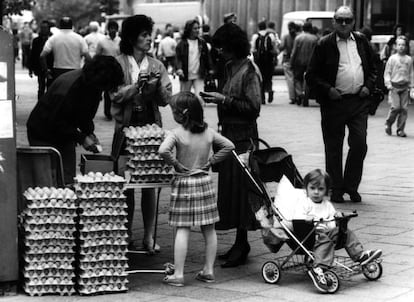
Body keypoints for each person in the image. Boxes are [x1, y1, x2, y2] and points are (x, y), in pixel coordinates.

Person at [200, 23, 262, 268]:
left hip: (244, 137)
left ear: (234, 46)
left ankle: (242, 242)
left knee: (242, 191)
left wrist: (224, 99)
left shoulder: (249, 70)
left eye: (223, 47)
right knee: (229, 190)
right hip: (228, 136)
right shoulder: (227, 67)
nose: (219, 51)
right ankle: (239, 242)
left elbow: (254, 108)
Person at [110, 15, 172, 253]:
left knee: (150, 184)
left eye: (149, 34)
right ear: (131, 37)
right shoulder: (118, 64)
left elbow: (166, 100)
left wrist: (156, 87)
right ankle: (126, 235)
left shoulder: (157, 65)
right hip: (125, 131)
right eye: (144, 34)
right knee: (126, 185)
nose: (149, 38)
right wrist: (136, 86)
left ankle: (148, 236)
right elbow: (114, 95)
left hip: (150, 131)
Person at [159, 92, 234, 287]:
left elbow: (162, 150)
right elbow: (229, 146)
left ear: (182, 114)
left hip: (184, 182)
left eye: (173, 111)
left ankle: (179, 273)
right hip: (203, 182)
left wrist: (175, 163)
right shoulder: (208, 133)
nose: (172, 114)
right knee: (209, 229)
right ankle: (208, 270)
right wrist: (210, 162)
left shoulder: (176, 133)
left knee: (182, 228)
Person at [305, 6, 377, 204]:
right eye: (340, 20)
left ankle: (351, 186)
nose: (344, 23)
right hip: (334, 103)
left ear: (353, 22)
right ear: (334, 22)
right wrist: (328, 90)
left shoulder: (361, 41)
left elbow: (374, 67)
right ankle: (336, 188)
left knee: (360, 144)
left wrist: (368, 86)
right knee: (333, 147)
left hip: (358, 102)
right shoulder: (324, 44)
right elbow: (311, 75)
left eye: (348, 20)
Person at [26, 55, 124, 185]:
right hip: (42, 132)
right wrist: (81, 138)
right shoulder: (67, 88)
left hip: (65, 132)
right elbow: (56, 122)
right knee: (47, 181)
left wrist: (89, 133)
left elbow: (85, 115)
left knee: (67, 178)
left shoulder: (94, 86)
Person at [297, 169, 382, 291]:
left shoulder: (327, 204)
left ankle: (360, 255)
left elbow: (332, 218)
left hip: (328, 232)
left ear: (326, 190)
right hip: (312, 235)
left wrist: (337, 216)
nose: (316, 192)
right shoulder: (304, 203)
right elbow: (298, 218)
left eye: (320, 189)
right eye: (312, 188)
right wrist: (307, 219)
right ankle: (319, 267)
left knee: (345, 232)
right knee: (324, 239)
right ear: (306, 189)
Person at [40, 17, 90, 83]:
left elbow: (42, 56)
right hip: (75, 70)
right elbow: (88, 57)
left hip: (58, 70)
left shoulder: (53, 38)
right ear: (71, 26)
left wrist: (46, 71)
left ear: (60, 25)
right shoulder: (79, 38)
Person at [175, 19, 212, 105]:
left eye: (198, 28)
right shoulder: (182, 44)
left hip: (199, 75)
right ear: (189, 29)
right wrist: (179, 69)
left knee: (200, 99)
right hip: (185, 75)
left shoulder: (202, 43)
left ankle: (199, 117)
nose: (197, 30)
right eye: (195, 28)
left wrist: (210, 69)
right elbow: (178, 58)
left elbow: (207, 57)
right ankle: (185, 117)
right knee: (184, 100)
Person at [384, 36, 414, 138]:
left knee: (404, 109)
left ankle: (400, 129)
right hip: (394, 87)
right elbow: (387, 72)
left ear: (406, 47)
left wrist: (412, 87)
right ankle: (388, 123)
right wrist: (388, 84)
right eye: (399, 45)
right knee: (396, 107)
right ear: (396, 46)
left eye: (403, 45)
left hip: (405, 87)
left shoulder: (409, 59)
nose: (401, 47)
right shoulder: (392, 59)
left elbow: (411, 73)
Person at [96, 20, 121, 121]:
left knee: (117, 91)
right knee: (107, 92)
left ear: (117, 30)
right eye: (111, 28)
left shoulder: (120, 41)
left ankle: (116, 111)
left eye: (114, 28)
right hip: (106, 69)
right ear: (108, 29)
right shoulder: (102, 41)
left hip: (117, 69)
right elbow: (97, 55)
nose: (113, 30)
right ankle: (107, 112)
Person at [290, 21, 318, 107]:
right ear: (310, 28)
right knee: (310, 79)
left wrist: (291, 62)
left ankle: (299, 93)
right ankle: (307, 93)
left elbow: (294, 52)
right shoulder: (315, 38)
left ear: (303, 28)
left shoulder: (298, 38)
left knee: (297, 79)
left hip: (299, 62)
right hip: (311, 63)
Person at [252, 20, 277, 104]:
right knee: (269, 77)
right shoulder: (271, 35)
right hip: (269, 60)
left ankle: (262, 98)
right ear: (265, 27)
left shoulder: (255, 36)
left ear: (258, 27)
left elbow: (253, 49)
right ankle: (270, 91)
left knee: (260, 78)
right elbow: (274, 47)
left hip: (259, 61)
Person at [28, 20, 53, 100]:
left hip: (51, 66)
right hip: (39, 67)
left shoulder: (53, 39)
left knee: (50, 87)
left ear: (49, 29)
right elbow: (33, 54)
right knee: (41, 87)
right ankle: (40, 105)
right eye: (42, 28)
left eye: (45, 28)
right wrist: (31, 69)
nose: (43, 29)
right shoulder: (36, 40)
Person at [279, 21, 298, 104]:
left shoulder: (286, 37)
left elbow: (281, 47)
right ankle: (298, 95)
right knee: (297, 78)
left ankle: (292, 97)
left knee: (290, 79)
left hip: (288, 60)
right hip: (297, 61)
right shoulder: (298, 36)